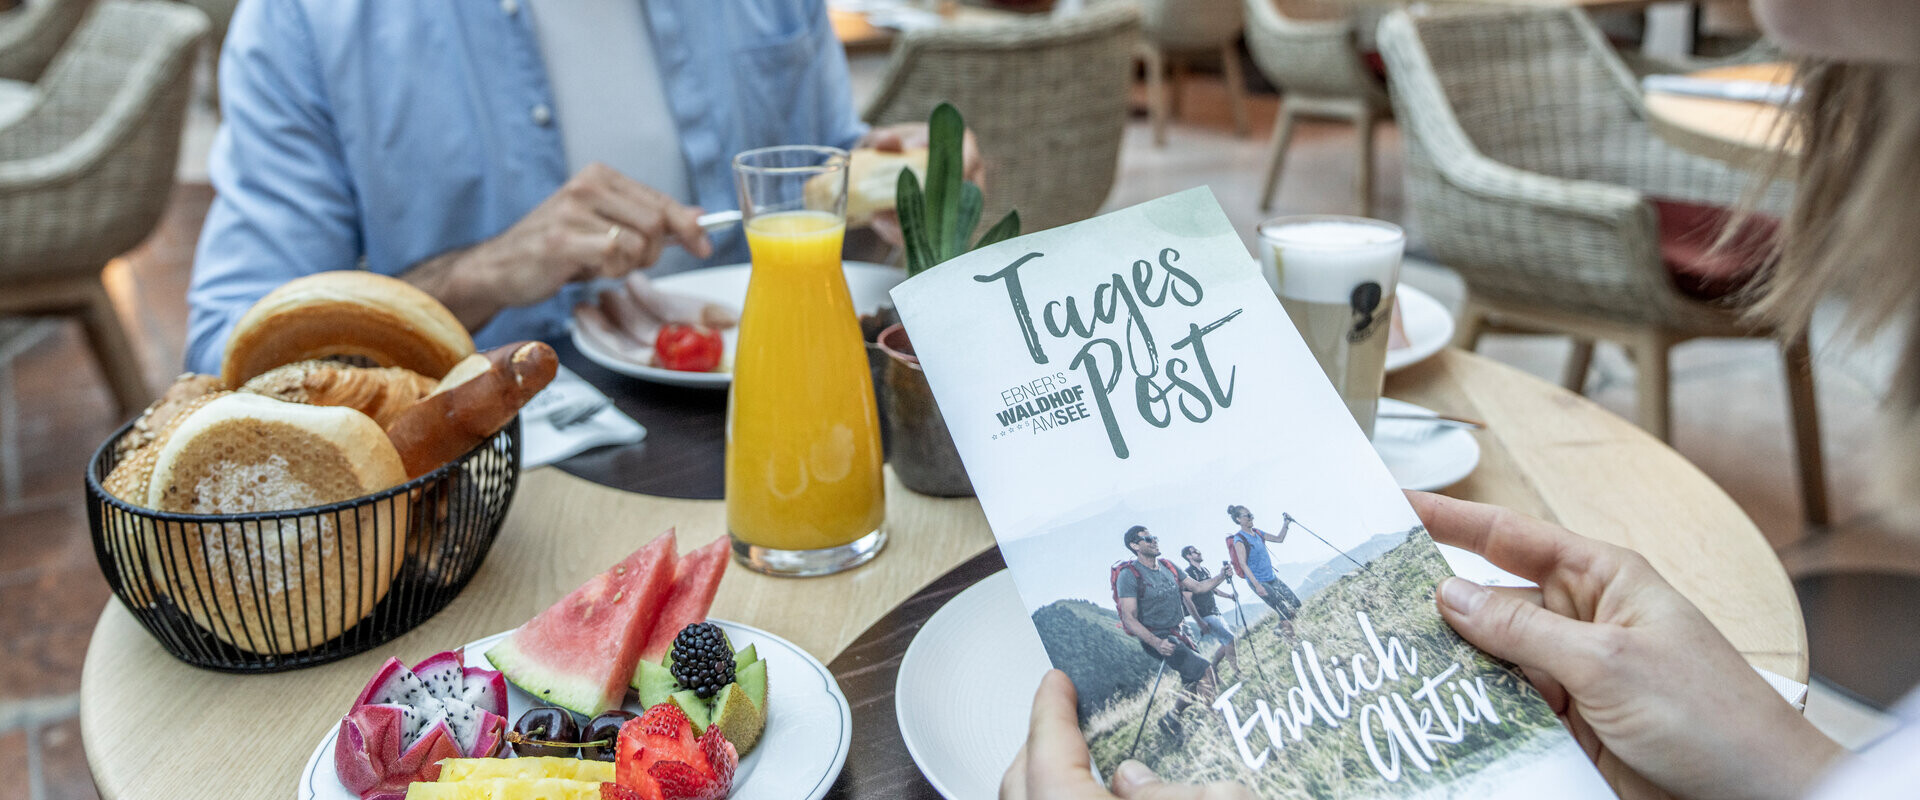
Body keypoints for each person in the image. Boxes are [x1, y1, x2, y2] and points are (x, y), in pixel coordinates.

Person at [1008, 0, 1920, 794]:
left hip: (1248, 600)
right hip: (1222, 612)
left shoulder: (1183, 556)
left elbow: (1233, 567)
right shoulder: (1152, 566)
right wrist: (1779, 761)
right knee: (1228, 654)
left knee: (1258, 636)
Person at [183, 0, 978, 375]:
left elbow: (811, 171)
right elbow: (230, 344)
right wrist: (476, 276)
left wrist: (885, 180)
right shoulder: (303, 22)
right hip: (505, 489)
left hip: (792, 400)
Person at [1114, 526, 1232, 737]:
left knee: (1193, 681)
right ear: (1134, 546)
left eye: (1154, 537)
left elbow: (1197, 587)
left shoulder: (1169, 566)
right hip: (1157, 637)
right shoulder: (1128, 575)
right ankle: (1221, 725)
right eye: (1147, 539)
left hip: (1180, 631)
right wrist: (1157, 643)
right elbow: (1129, 619)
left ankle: (1171, 717)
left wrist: (1221, 576)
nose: (1154, 541)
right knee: (1206, 670)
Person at [1223, 505, 1302, 621]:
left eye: (1252, 515)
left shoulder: (1258, 532)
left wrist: (1286, 523)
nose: (1251, 518)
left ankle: (1292, 625)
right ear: (1239, 519)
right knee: (1283, 612)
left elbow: (1279, 539)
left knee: (1296, 604)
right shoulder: (1239, 539)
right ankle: (1283, 631)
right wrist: (1257, 586)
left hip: (1272, 577)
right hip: (1259, 581)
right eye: (1248, 516)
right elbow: (1243, 564)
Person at [1176, 546, 1239, 677]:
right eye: (1195, 551)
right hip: (1205, 614)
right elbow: (1187, 599)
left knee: (1226, 641)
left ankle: (1213, 667)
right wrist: (1199, 622)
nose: (1199, 552)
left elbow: (1213, 589)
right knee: (1230, 639)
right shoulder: (1188, 574)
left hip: (1214, 611)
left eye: (1198, 550)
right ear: (1188, 556)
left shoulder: (1205, 570)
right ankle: (1236, 672)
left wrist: (1229, 596)